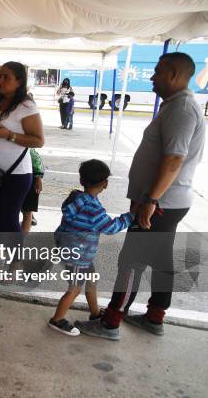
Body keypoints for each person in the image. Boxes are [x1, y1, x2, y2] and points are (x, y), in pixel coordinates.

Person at [76, 52, 205, 340]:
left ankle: (110, 322)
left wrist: (151, 200)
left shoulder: (182, 109)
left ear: (173, 74)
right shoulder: (176, 106)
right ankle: (155, 316)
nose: (151, 76)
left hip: (161, 204)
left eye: (157, 70)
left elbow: (174, 160)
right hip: (166, 203)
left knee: (130, 262)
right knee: (161, 260)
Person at [49, 160, 134, 336]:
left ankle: (95, 313)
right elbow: (110, 227)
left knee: (91, 280)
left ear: (82, 181)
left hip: (73, 250)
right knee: (75, 288)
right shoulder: (93, 208)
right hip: (78, 255)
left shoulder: (75, 198)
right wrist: (131, 216)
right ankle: (57, 319)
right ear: (105, 184)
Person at [0, 61, 44, 235]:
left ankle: (16, 261)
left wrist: (9, 135)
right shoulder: (1, 100)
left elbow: (38, 141)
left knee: (9, 220)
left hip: (16, 175)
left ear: (19, 82)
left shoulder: (26, 106)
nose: (1, 80)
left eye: (6, 77)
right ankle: (1, 253)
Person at [20, 149, 43, 234]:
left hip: (29, 179)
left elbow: (35, 158)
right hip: (29, 179)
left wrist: (38, 177)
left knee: (27, 213)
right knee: (27, 213)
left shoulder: (28, 149)